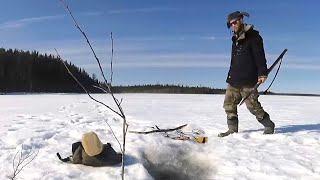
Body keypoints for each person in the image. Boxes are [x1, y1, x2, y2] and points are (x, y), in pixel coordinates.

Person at [219, 11, 275, 137]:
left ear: (241, 19)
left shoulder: (254, 37)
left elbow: (260, 56)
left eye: (235, 22)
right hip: (234, 79)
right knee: (228, 105)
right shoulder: (235, 39)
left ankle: (268, 125)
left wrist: (262, 73)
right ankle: (232, 129)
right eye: (230, 24)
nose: (233, 25)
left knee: (253, 106)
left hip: (249, 79)